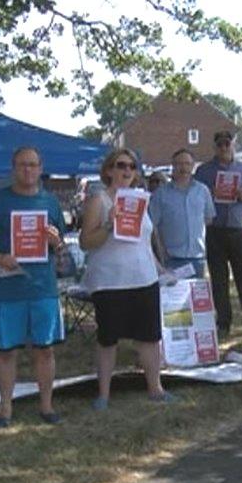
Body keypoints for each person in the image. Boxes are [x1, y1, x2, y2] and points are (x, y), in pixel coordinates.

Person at [0, 147, 67, 429]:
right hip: (8, 289)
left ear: (40, 168)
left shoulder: (50, 201)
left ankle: (46, 406)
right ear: (14, 167)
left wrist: (55, 241)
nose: (28, 170)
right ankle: (6, 408)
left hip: (43, 287)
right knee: (6, 351)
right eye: (23, 165)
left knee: (45, 350)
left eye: (33, 165)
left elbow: (60, 242)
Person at [80, 148, 175, 410]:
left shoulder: (140, 200)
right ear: (109, 170)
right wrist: (109, 225)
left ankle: (155, 388)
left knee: (149, 337)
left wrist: (159, 269)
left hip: (144, 279)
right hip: (110, 281)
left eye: (132, 167)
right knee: (108, 339)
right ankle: (103, 394)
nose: (126, 171)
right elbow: (86, 242)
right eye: (121, 165)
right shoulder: (100, 200)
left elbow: (144, 242)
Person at [195, 130, 242, 337]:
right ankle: (223, 323)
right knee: (219, 280)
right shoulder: (203, 171)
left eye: (227, 144)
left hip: (239, 231)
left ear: (233, 146)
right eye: (220, 144)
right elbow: (196, 201)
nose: (223, 148)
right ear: (214, 146)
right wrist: (208, 196)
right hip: (215, 231)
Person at [149, 148, 216, 278]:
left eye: (187, 164)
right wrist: (161, 252)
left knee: (195, 297)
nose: (183, 167)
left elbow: (209, 219)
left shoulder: (203, 191)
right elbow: (152, 227)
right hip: (171, 259)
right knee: (174, 297)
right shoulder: (161, 194)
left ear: (192, 166)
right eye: (179, 164)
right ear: (173, 166)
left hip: (197, 259)